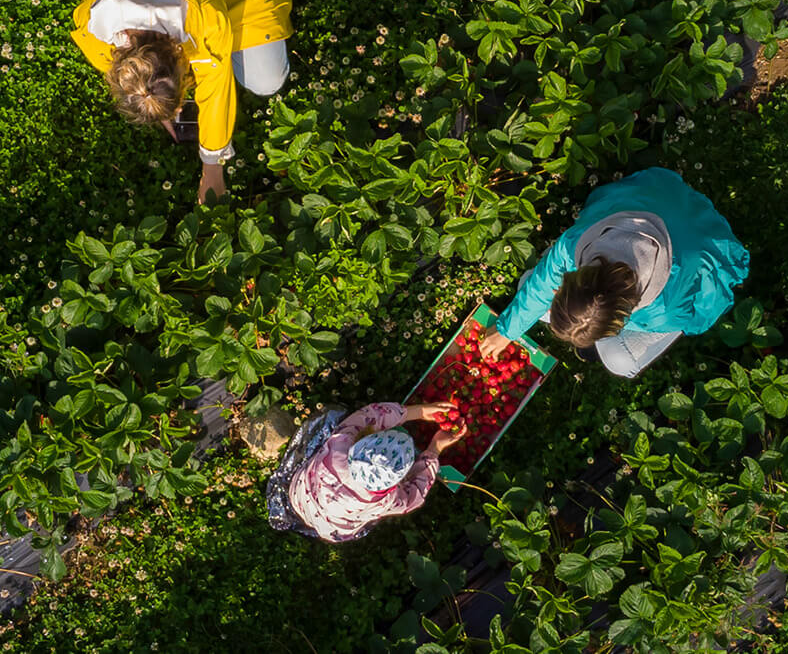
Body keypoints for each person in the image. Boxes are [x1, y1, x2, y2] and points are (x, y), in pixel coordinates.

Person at [69, 0, 295, 204]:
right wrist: (157, 104)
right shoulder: (91, 32)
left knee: (266, 81)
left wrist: (212, 168)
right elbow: (138, 76)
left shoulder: (205, 18)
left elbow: (216, 90)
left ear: (179, 56)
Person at [477, 167, 750, 378]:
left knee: (620, 361)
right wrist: (506, 330)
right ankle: (590, 331)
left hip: (691, 238)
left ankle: (607, 341)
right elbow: (540, 284)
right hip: (667, 203)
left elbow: (702, 316)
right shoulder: (573, 243)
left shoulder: (667, 310)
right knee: (529, 284)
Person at [266, 402, 462, 542]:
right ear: (397, 480)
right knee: (363, 524)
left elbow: (371, 414)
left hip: (299, 495)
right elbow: (415, 496)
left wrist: (418, 411)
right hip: (332, 529)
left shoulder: (340, 445)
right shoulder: (385, 502)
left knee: (336, 415)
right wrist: (434, 448)